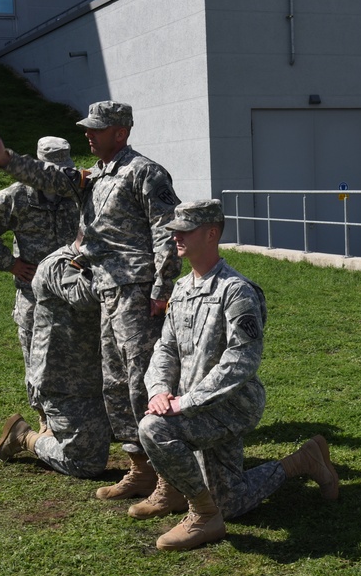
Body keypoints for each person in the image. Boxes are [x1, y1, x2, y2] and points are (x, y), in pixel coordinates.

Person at [0, 101, 181, 500]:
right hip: (105, 288)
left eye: (96, 129)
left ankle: (168, 479)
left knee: (141, 383)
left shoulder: (145, 172)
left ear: (121, 132)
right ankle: (140, 469)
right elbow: (48, 175)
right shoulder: (94, 177)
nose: (88, 134)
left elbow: (166, 230)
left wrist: (162, 289)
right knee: (116, 383)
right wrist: (6, 159)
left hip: (136, 293)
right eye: (87, 127)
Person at [135, 199, 339, 552]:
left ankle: (202, 515)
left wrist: (187, 401)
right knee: (230, 502)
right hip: (192, 405)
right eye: (175, 231)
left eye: (186, 231)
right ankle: (303, 460)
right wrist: (158, 390)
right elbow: (165, 349)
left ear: (211, 233)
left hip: (231, 406)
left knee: (154, 428)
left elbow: (242, 360)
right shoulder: (182, 290)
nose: (176, 238)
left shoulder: (237, 291)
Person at [0, 242, 110, 479]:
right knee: (86, 463)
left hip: (97, 376)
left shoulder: (101, 260)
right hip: (65, 382)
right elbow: (83, 296)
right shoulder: (59, 265)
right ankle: (25, 437)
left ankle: (56, 431)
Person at [0, 136, 80, 376]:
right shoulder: (16, 197)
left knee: (78, 365)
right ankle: (41, 411)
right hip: (34, 296)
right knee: (36, 364)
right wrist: (10, 264)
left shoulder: (77, 191)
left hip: (75, 294)